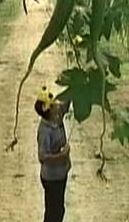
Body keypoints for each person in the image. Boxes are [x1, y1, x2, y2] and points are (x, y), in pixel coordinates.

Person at [35, 87, 71, 222]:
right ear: (48, 111)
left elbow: (67, 103)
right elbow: (42, 157)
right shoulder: (44, 131)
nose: (57, 105)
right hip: (52, 178)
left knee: (59, 210)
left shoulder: (57, 116)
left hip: (61, 174)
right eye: (54, 105)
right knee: (53, 213)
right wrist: (62, 155)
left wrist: (75, 84)